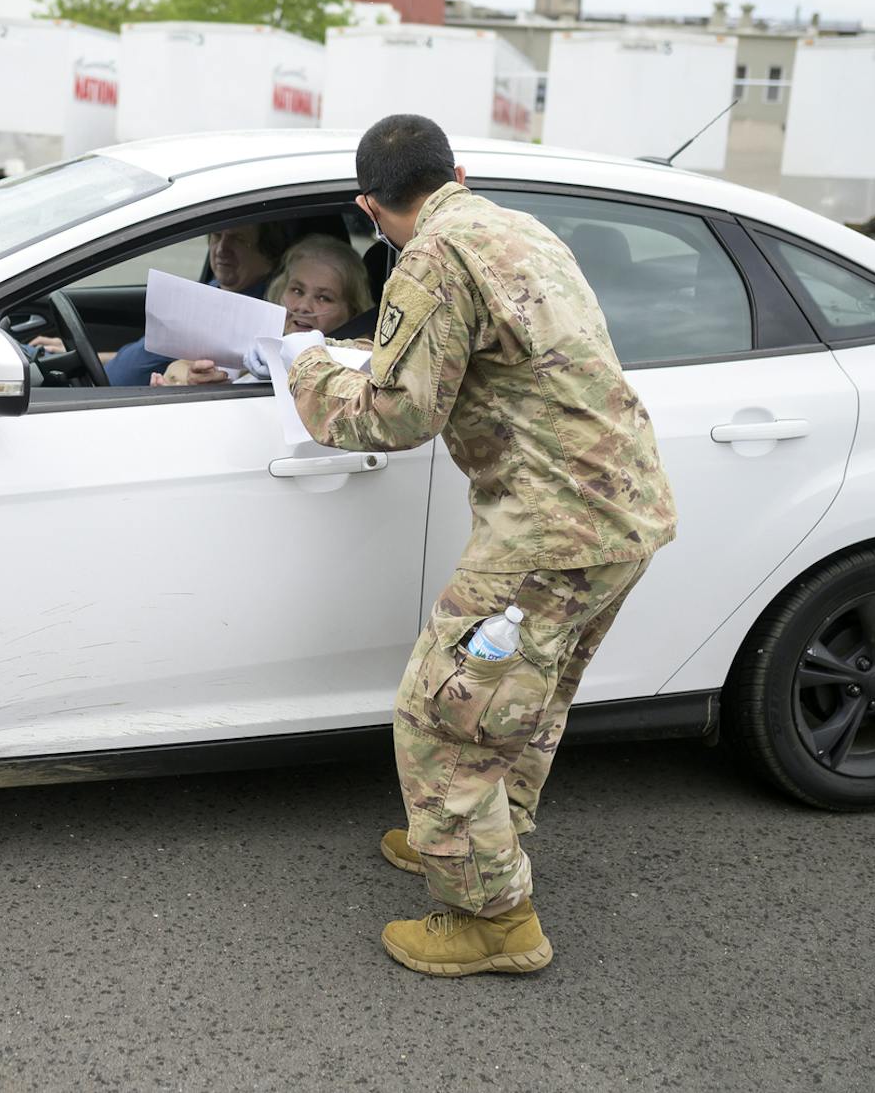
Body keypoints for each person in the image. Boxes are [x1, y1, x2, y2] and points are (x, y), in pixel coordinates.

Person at [280, 113, 677, 979]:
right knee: (518, 706)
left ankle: (495, 919)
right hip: (620, 516)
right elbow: (465, 352)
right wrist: (361, 347)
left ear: (369, 206)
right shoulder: (512, 228)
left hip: (546, 532)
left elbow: (397, 414)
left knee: (442, 719)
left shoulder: (427, 256)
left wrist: (306, 367)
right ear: (456, 171)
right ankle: (469, 846)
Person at [31, 223, 288, 385]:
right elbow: (155, 352)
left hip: (118, 405)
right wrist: (87, 357)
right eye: (217, 236)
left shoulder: (248, 315)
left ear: (268, 252)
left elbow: (198, 374)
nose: (221, 248)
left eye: (238, 240)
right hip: (97, 381)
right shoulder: (215, 291)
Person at [151, 234, 372, 386]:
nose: (304, 306)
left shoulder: (357, 369)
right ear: (280, 291)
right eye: (296, 290)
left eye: (324, 298)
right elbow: (180, 368)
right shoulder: (260, 340)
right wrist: (190, 378)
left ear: (353, 311)